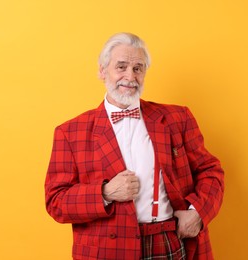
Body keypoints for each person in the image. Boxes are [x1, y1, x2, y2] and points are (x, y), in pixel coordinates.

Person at [45, 32, 224, 260]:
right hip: (107, 252)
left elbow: (211, 171)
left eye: (138, 68)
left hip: (168, 241)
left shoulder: (177, 118)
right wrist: (105, 192)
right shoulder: (70, 132)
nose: (130, 76)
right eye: (121, 66)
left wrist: (197, 212)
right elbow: (56, 202)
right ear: (102, 71)